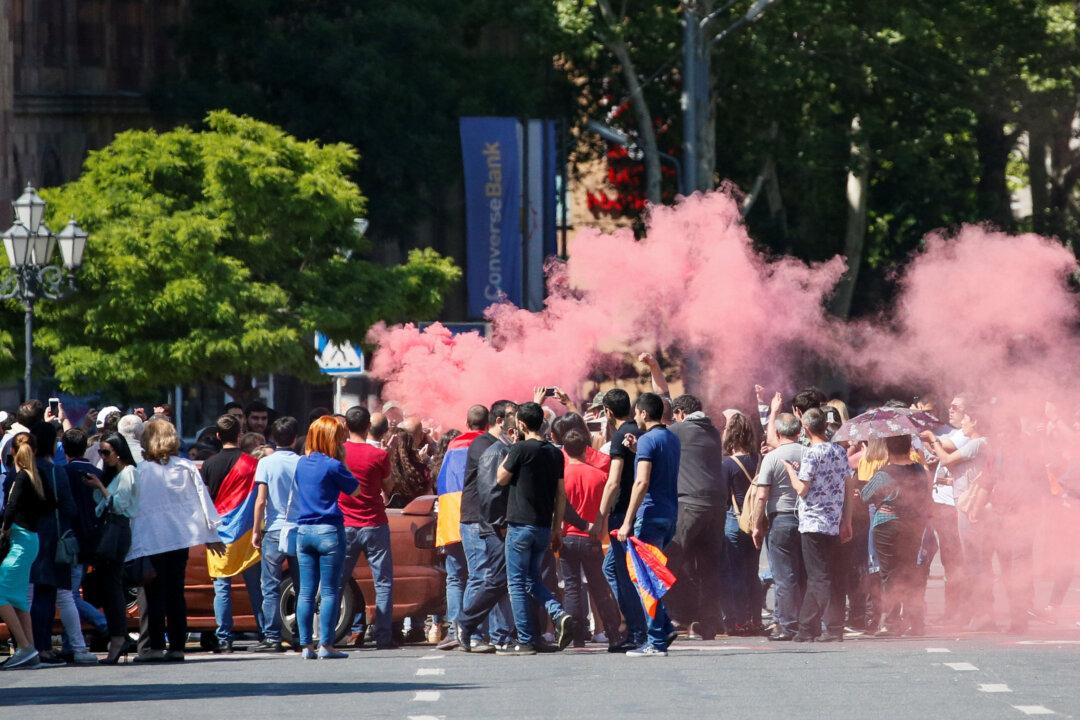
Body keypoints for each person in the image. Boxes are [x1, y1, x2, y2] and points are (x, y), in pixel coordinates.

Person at [129, 419, 224, 663]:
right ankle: (177, 645)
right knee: (175, 592)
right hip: (179, 539)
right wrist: (211, 536)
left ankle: (152, 645)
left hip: (150, 541)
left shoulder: (140, 471)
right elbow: (202, 501)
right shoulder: (185, 467)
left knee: (150, 594)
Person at [496, 401, 574, 655]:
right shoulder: (554, 452)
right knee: (532, 580)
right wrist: (556, 528)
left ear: (520, 423)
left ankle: (526, 639)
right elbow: (561, 494)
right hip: (543, 526)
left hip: (520, 525)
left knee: (516, 583)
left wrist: (513, 448)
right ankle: (558, 613)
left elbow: (500, 477)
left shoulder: (519, 449)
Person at [291, 416, 364, 659]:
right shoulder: (333, 465)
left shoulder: (301, 463)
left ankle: (305, 646)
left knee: (305, 591)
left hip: (304, 531)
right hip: (329, 529)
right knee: (331, 590)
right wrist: (342, 460)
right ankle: (326, 645)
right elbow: (355, 489)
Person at [615, 392, 681, 657]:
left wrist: (627, 521)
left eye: (636, 413)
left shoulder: (648, 442)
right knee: (652, 576)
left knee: (645, 580)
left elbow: (641, 482)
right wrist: (636, 449)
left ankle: (656, 639)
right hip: (669, 515)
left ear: (643, 413)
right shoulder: (670, 438)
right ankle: (663, 627)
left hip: (649, 515)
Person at [781, 408, 853, 643]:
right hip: (833, 520)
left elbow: (802, 488)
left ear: (807, 429)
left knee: (818, 577)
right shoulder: (839, 452)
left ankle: (806, 627)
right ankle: (833, 627)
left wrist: (791, 471)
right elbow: (847, 487)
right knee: (832, 575)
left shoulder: (811, 454)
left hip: (813, 521)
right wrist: (847, 519)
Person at [663, 394, 727, 641]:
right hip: (716, 507)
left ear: (679, 413)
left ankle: (671, 617)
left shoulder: (679, 430)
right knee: (709, 568)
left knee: (669, 561)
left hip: (689, 504)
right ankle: (707, 624)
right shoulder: (713, 432)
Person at [456, 403, 518, 653]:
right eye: (514, 416)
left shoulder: (501, 445)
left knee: (497, 577)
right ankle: (469, 632)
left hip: (493, 520)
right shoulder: (484, 445)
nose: (518, 421)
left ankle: (499, 634)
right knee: (481, 575)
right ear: (501, 420)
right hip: (477, 519)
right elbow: (493, 487)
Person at [925, 405, 993, 631]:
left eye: (965, 418)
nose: (962, 423)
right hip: (967, 503)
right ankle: (981, 612)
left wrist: (933, 440)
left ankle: (982, 613)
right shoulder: (981, 444)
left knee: (974, 562)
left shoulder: (978, 442)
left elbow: (946, 460)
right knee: (975, 561)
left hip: (970, 506)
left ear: (974, 421)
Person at [200, 413, 264, 653]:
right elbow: (259, 499)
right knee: (255, 587)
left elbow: (204, 501)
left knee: (222, 588)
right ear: (239, 434)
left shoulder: (208, 464)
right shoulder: (251, 464)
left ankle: (224, 639)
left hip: (218, 533)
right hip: (247, 532)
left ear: (217, 436)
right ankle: (265, 632)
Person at [860, 434, 931, 636]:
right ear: (909, 447)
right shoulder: (918, 469)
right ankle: (916, 622)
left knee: (889, 573)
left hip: (887, 524)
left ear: (888, 449)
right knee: (910, 571)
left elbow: (866, 495)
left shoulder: (885, 473)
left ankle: (891, 622)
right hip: (913, 524)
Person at [337, 406, 396, 649]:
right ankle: (383, 636)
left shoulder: (338, 453)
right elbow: (389, 485)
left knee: (337, 581)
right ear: (368, 427)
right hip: (374, 522)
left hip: (346, 523)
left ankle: (328, 633)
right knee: (382, 582)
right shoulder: (378, 455)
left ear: (346, 427)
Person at [558, 429, 622, 648]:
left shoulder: (562, 475)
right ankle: (613, 633)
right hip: (592, 536)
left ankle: (576, 636)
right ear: (586, 449)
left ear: (564, 450)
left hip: (568, 536)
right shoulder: (600, 476)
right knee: (599, 586)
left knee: (572, 585)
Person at [596, 388, 648, 652]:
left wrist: (599, 517)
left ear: (607, 412)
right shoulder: (641, 433)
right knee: (627, 571)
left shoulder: (619, 438)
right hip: (639, 510)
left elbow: (613, 481)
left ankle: (637, 629)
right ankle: (640, 626)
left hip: (621, 514)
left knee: (624, 573)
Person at [0, 433, 54, 670]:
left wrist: (4, 528)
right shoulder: (37, 476)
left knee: (0, 593)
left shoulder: (20, 478)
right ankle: (29, 649)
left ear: (13, 453)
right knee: (20, 599)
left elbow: (10, 508)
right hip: (32, 538)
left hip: (20, 540)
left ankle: (23, 646)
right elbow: (51, 503)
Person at [85, 433, 139, 664]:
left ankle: (118, 637)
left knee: (113, 585)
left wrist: (99, 486)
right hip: (109, 529)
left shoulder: (129, 473)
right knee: (109, 585)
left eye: (106, 452)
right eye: (100, 452)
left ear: (118, 451)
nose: (103, 457)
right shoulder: (115, 474)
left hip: (117, 530)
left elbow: (119, 505)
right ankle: (117, 637)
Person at [750, 413, 805, 640]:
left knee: (783, 575)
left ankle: (787, 624)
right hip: (804, 517)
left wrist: (756, 524)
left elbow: (762, 495)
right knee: (804, 574)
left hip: (780, 517)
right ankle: (804, 621)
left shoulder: (772, 458)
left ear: (779, 433)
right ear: (798, 431)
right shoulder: (807, 453)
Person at [918, 394, 971, 625]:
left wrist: (929, 437)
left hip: (953, 504)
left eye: (956, 407)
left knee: (954, 560)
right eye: (950, 406)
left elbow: (946, 451)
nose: (950, 410)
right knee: (942, 557)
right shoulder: (945, 431)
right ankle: (951, 608)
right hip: (939, 502)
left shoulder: (962, 434)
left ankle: (958, 609)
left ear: (968, 414)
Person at [251, 416, 302, 653]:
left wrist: (255, 530)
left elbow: (261, 501)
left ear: (274, 437)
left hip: (273, 528)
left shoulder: (266, 463)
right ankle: (301, 634)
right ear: (294, 438)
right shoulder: (302, 463)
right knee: (302, 584)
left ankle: (272, 636)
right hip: (299, 527)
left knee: (269, 585)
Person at [29, 421, 78, 667]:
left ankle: (29, 645)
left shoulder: (25, 470)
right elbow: (69, 507)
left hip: (27, 534)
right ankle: (43, 647)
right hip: (52, 536)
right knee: (47, 594)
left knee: (30, 594)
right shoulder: (56, 470)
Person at [59, 427, 109, 662]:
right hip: (95, 537)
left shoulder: (64, 473)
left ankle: (102, 623)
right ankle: (70, 642)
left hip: (73, 540)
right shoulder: (95, 471)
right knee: (72, 592)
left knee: (70, 594)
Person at [719, 410, 764, 635]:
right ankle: (756, 619)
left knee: (735, 572)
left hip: (734, 520)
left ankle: (739, 620)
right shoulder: (759, 461)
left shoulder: (728, 464)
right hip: (755, 522)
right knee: (752, 571)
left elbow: (722, 497)